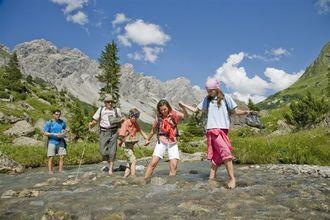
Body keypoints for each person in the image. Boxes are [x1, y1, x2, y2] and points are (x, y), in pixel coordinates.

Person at [179, 78, 250, 189]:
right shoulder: (207, 100)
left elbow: (235, 111)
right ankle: (232, 178)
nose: (209, 92)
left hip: (224, 131)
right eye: (208, 90)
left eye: (211, 90)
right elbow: (196, 110)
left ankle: (211, 178)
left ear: (216, 88)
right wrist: (183, 105)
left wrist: (246, 112)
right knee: (226, 153)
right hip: (213, 130)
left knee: (217, 157)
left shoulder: (226, 98)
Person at [144, 99, 188, 179]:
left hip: (173, 142)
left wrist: (183, 108)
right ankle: (145, 180)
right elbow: (153, 129)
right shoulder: (158, 117)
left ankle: (170, 185)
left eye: (165, 109)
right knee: (153, 163)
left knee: (174, 166)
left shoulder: (174, 114)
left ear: (168, 107)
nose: (163, 111)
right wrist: (147, 139)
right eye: (161, 110)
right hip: (162, 141)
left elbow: (185, 116)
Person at [89, 95, 123, 175]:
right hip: (103, 132)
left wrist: (121, 121)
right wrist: (91, 124)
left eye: (111, 102)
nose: (110, 103)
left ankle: (111, 169)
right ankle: (109, 162)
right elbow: (95, 120)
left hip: (114, 132)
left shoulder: (116, 110)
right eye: (108, 102)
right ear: (105, 102)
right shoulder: (101, 110)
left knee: (112, 151)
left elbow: (121, 120)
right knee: (103, 151)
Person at [118, 108, 149, 178]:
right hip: (125, 146)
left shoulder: (135, 124)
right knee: (134, 160)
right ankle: (133, 177)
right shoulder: (125, 123)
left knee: (129, 163)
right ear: (130, 116)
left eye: (137, 117)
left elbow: (141, 131)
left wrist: (147, 139)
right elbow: (121, 135)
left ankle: (124, 177)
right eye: (135, 117)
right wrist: (124, 138)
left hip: (131, 146)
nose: (136, 119)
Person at [43, 109, 67, 174]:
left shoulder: (62, 122)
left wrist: (64, 133)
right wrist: (54, 134)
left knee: (62, 156)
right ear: (53, 115)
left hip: (61, 140)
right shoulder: (49, 123)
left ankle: (60, 170)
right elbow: (45, 133)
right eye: (56, 114)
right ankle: (50, 171)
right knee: (51, 157)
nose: (58, 116)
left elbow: (65, 129)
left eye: (59, 114)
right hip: (51, 141)